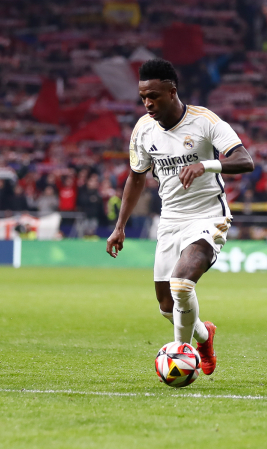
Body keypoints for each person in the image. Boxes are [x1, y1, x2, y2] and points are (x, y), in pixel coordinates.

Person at [107, 58, 254, 376]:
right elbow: (136, 177)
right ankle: (204, 336)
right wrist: (120, 227)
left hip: (208, 216)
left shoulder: (205, 122)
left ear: (172, 92)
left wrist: (206, 164)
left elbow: (245, 160)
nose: (148, 103)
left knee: (182, 285)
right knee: (166, 306)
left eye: (154, 96)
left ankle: (180, 360)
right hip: (170, 221)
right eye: (143, 97)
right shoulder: (143, 130)